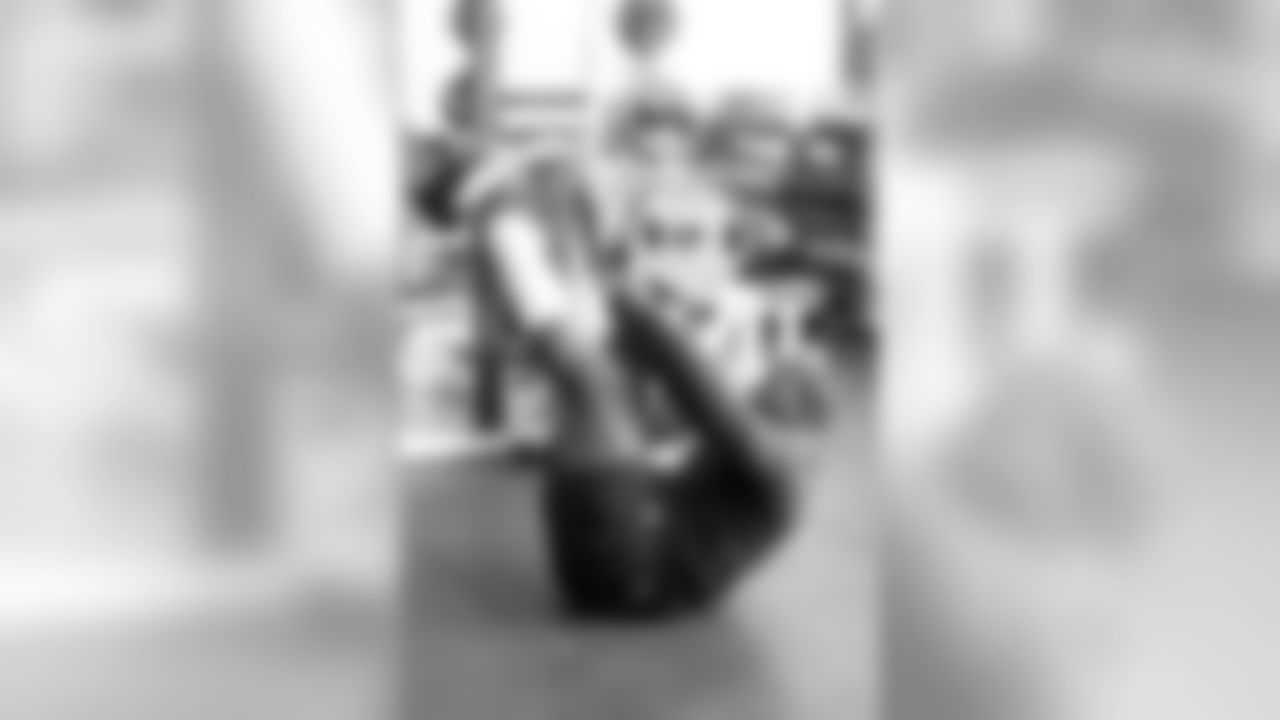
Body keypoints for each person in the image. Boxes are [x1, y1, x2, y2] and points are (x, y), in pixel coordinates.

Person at [466, 150, 799, 621]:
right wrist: (601, 269)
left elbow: (689, 382)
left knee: (589, 379)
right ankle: (506, 223)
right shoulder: (768, 463)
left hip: (636, 573)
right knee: (594, 368)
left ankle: (500, 221)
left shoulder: (775, 465)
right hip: (626, 556)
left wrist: (628, 298)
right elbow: (670, 391)